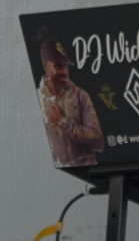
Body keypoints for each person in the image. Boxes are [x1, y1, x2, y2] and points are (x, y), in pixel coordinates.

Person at [37, 38, 106, 167]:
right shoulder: (38, 98)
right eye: (58, 66)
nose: (64, 71)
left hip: (86, 170)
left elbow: (98, 141)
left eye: (65, 65)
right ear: (45, 65)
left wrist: (63, 122)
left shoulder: (80, 96)